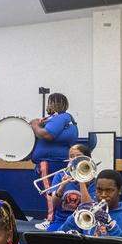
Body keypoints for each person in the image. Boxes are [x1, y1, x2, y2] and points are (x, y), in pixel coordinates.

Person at [35, 143, 94, 244]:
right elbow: (53, 205)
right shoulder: (61, 175)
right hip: (61, 220)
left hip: (84, 223)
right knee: (46, 242)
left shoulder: (92, 177)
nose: (72, 159)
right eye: (71, 156)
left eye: (76, 156)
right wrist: (61, 186)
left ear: (86, 158)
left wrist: (81, 181)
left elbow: (89, 207)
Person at [30, 92, 78, 227]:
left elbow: (47, 134)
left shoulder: (60, 118)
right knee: (57, 191)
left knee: (49, 191)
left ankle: (50, 220)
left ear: (55, 104)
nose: (48, 105)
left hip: (49, 161)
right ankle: (55, 219)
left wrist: (34, 125)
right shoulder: (63, 118)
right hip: (56, 160)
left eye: (50, 102)